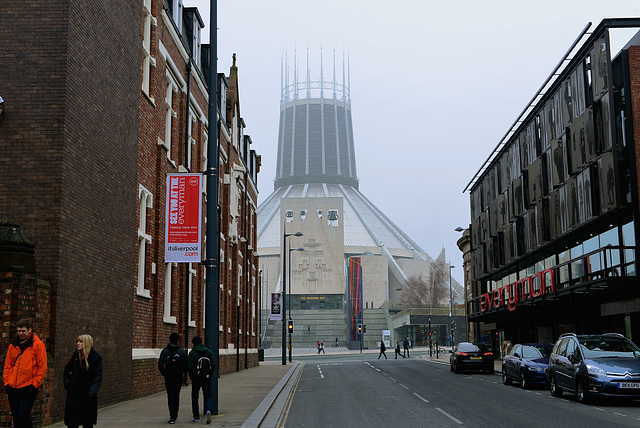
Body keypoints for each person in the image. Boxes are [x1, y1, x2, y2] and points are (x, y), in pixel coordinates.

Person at [3, 318, 48, 428]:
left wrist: (34, 385)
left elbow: (42, 367)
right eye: (19, 331)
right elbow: (7, 366)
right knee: (16, 417)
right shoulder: (13, 345)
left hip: (28, 386)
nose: (21, 333)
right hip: (13, 386)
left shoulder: (38, 345)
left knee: (23, 415)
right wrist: (7, 383)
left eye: (23, 331)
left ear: (30, 330)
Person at [63, 334, 103, 428]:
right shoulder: (75, 356)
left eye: (80, 342)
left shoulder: (95, 358)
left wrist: (91, 393)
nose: (78, 343)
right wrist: (68, 385)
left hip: (87, 397)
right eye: (77, 341)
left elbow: (97, 376)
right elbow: (66, 371)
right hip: (74, 395)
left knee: (87, 422)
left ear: (86, 343)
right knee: (72, 422)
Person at [158, 333, 187, 424]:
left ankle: (172, 416)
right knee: (176, 395)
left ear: (169, 339)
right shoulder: (182, 351)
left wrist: (165, 374)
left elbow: (160, 365)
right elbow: (185, 365)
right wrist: (183, 375)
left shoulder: (165, 351)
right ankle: (175, 413)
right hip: (178, 376)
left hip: (169, 376)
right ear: (178, 340)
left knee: (170, 395)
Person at [187, 336, 214, 424]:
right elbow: (213, 364)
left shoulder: (192, 353)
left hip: (196, 378)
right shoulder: (208, 351)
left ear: (193, 343)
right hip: (206, 377)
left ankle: (196, 417)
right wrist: (209, 374)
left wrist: (192, 377)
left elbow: (189, 367)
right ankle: (208, 411)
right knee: (208, 395)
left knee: (195, 397)